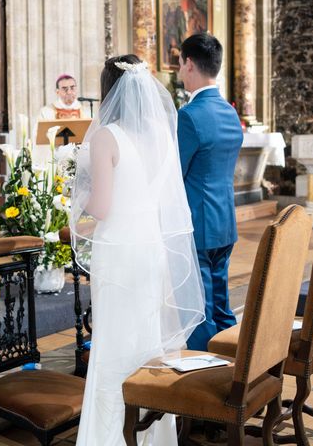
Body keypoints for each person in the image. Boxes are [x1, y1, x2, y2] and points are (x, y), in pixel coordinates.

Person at [70, 55, 205, 445]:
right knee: (145, 343)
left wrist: (75, 201)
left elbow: (102, 207)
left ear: (108, 90)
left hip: (119, 250)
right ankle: (152, 437)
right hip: (150, 248)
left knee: (113, 344)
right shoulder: (158, 133)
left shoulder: (105, 136)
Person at [177, 33, 243, 352]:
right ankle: (236, 363)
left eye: (179, 64)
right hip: (224, 222)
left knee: (199, 312)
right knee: (221, 304)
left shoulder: (189, 115)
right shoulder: (230, 112)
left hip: (197, 224)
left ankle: (205, 379)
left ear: (189, 64)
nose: (179, 72)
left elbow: (175, 172)